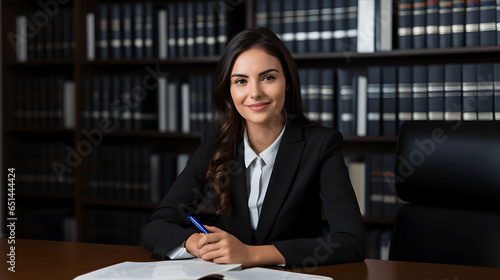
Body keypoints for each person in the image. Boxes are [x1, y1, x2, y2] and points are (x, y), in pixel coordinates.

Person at [142, 27, 366, 268]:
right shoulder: (216, 141)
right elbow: (157, 226)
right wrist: (196, 242)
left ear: (287, 82)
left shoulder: (320, 144)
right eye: (241, 81)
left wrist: (251, 254)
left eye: (268, 77)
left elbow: (350, 241)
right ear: (229, 90)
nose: (255, 93)